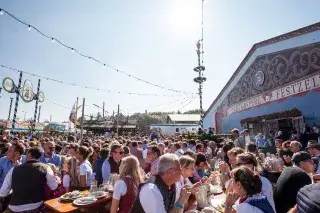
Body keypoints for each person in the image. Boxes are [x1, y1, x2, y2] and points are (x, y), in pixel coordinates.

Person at [0, 147, 58, 212]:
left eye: (26, 154)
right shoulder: (46, 168)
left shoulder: (14, 169)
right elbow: (54, 187)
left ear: (29, 155)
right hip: (36, 205)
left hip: (16, 207)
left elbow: (3, 192)